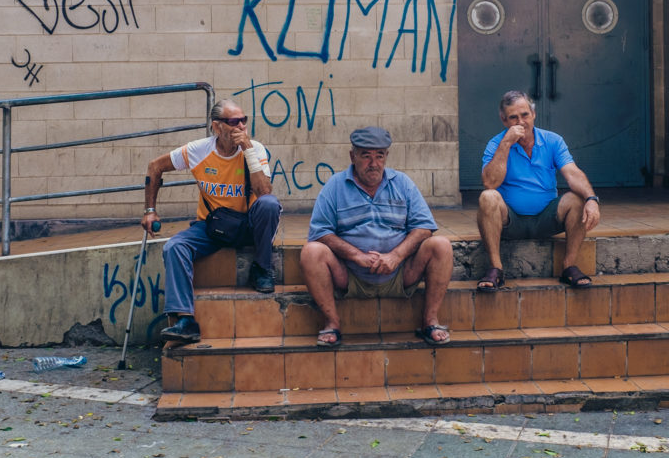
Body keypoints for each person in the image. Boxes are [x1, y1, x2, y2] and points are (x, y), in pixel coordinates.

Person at [142, 99, 281, 344]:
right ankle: (185, 320)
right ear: (217, 127)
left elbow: (264, 192)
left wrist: (247, 150)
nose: (240, 126)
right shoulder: (199, 150)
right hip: (213, 227)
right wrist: (150, 210)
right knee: (174, 247)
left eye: (243, 120)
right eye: (233, 121)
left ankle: (262, 268)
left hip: (248, 225)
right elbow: (155, 167)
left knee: (269, 205)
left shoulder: (255, 149)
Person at [300, 127, 453, 347]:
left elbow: (424, 227)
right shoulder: (335, 186)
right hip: (350, 276)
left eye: (379, 156)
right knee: (311, 251)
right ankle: (332, 323)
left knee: (441, 245)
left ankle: (430, 322)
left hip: (400, 273)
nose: (374, 163)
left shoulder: (402, 183)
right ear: (352, 156)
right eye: (366, 156)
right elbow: (320, 232)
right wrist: (356, 256)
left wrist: (396, 256)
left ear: (386, 157)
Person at [476, 90, 601, 291]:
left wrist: (591, 198)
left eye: (525, 115)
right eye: (513, 117)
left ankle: (569, 266)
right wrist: (506, 143)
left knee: (578, 198)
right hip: (511, 221)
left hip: (546, 219)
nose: (521, 122)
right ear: (503, 120)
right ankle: (496, 268)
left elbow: (572, 173)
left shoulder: (552, 141)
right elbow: (490, 183)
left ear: (533, 114)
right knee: (487, 197)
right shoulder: (496, 143)